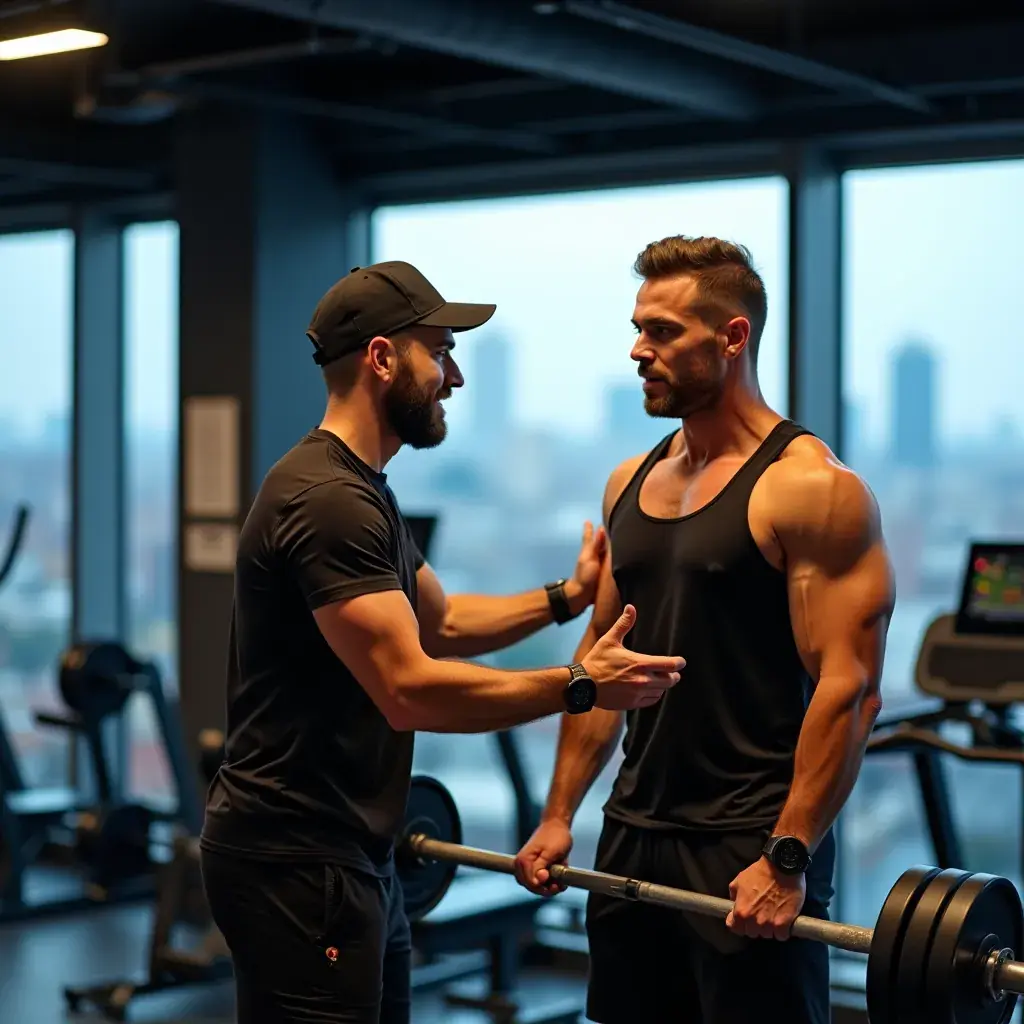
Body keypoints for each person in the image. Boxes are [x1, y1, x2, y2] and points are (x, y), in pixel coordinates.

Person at [198, 260, 685, 1024]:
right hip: (298, 859)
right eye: (440, 353)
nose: (453, 378)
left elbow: (443, 623)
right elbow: (409, 690)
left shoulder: (365, 489)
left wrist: (568, 596)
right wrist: (582, 685)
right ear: (382, 358)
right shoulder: (328, 502)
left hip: (351, 852)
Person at [513, 236, 896, 1024]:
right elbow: (600, 666)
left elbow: (850, 690)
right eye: (637, 329)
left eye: (662, 332)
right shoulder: (629, 481)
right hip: (633, 828)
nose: (637, 350)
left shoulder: (812, 490)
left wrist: (787, 857)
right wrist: (558, 816)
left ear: (732, 337)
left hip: (749, 841)